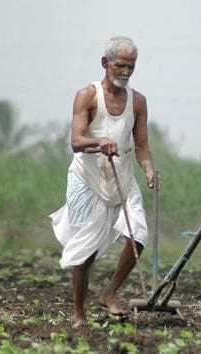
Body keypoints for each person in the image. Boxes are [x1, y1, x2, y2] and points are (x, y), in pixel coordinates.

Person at [50, 36, 157, 328]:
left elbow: (142, 145)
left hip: (121, 174)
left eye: (130, 67)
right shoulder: (87, 95)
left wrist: (148, 169)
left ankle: (109, 293)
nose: (125, 72)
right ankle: (78, 314)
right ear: (105, 63)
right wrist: (100, 142)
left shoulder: (138, 101)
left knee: (139, 236)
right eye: (119, 65)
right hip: (88, 177)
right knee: (84, 250)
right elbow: (76, 141)